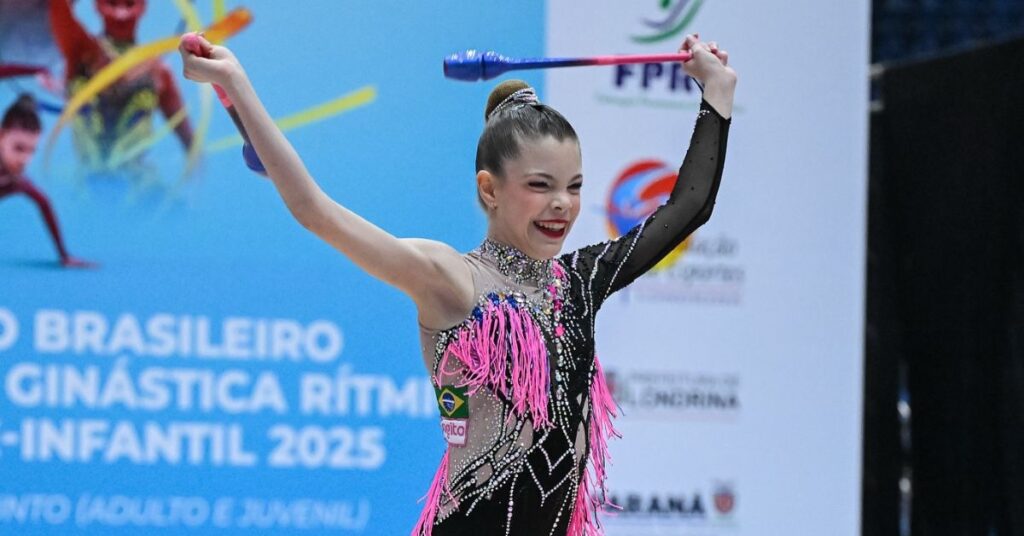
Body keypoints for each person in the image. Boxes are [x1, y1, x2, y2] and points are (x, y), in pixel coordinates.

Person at [178, 31, 735, 535]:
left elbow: (688, 208)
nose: (562, 204)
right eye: (540, 185)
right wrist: (236, 85)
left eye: (574, 186)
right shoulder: (453, 281)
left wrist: (717, 94)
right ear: (490, 189)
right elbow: (316, 211)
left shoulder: (580, 282)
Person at [48, 0, 193, 171]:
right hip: (86, 179)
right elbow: (58, 7)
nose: (121, 14)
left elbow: (192, 145)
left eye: (130, 4)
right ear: (98, 5)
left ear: (142, 7)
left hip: (137, 182)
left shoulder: (159, 72)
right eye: (112, 3)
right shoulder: (80, 50)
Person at [0, 94, 92, 267]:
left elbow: (44, 205)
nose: (24, 160)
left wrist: (64, 256)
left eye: (31, 151)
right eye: (18, 148)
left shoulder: (17, 181)